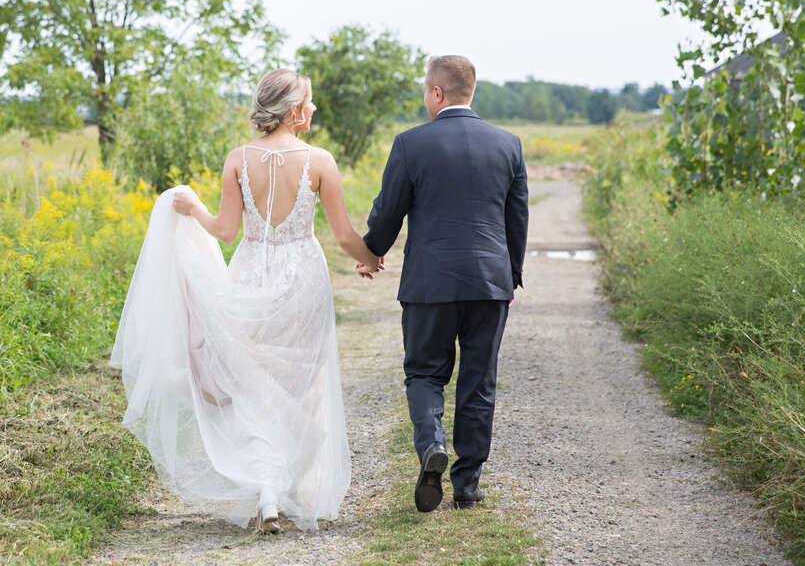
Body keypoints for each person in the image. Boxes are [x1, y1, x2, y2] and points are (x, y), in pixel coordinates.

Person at [111, 68, 381, 534]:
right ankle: (275, 486)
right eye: (309, 102)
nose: (314, 109)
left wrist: (193, 208)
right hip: (303, 279)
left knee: (254, 387)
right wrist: (372, 257)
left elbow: (225, 232)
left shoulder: (238, 158)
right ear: (294, 107)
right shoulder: (320, 161)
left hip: (252, 273)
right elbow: (342, 236)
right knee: (297, 386)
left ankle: (267, 491)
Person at [356, 55, 528, 513]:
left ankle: (432, 444)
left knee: (425, 372)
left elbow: (388, 211)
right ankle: (466, 485)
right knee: (479, 381)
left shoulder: (411, 143)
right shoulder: (508, 144)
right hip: (490, 285)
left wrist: (371, 252)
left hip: (429, 284)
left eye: (424, 90)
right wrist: (509, 278)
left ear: (437, 93)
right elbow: (517, 220)